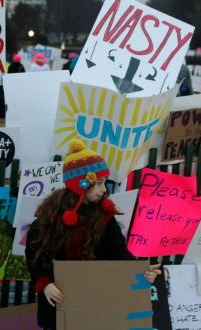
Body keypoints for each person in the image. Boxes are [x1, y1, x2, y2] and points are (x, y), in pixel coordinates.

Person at [25, 139, 161, 330]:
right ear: (80, 184)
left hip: (96, 302)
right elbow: (35, 255)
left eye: (104, 182)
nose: (104, 190)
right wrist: (45, 284)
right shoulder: (49, 219)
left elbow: (118, 252)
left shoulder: (105, 218)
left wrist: (139, 270)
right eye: (98, 183)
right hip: (59, 304)